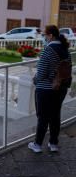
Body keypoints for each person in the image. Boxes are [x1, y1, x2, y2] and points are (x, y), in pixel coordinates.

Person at [29, 25, 72, 153]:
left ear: (51, 35)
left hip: (46, 89)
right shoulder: (65, 49)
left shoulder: (48, 49)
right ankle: (53, 143)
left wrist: (35, 80)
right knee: (55, 115)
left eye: (45, 35)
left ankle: (37, 145)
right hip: (61, 88)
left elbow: (41, 73)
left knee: (43, 117)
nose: (44, 37)